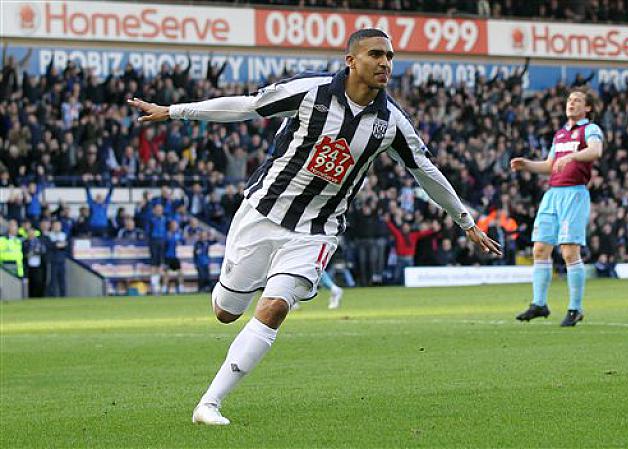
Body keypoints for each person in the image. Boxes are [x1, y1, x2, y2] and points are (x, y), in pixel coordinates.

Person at [128, 28, 501, 426]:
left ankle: (210, 403)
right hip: (262, 213)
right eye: (376, 54)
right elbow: (248, 106)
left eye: (390, 56)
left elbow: (425, 171)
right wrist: (175, 111)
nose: (385, 63)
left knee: (274, 308)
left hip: (317, 229)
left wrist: (466, 221)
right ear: (351, 60)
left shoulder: (391, 122)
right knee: (225, 312)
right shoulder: (309, 91)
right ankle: (233, 293)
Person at [511, 87, 604, 327]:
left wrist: (572, 157)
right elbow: (550, 165)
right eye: (570, 100)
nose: (571, 103)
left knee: (569, 251)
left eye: (577, 100)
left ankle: (575, 308)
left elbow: (595, 150)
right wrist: (527, 165)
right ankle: (539, 304)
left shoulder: (590, 129)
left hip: (574, 193)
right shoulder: (560, 134)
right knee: (540, 249)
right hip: (552, 194)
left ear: (588, 107)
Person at [162, 220, 184, 294]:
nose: (175, 227)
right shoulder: (167, 234)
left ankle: (180, 288)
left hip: (175, 257)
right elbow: (163, 245)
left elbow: (182, 241)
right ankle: (164, 289)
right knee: (166, 273)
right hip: (168, 257)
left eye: (176, 225)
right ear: (170, 226)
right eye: (174, 225)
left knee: (180, 272)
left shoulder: (178, 234)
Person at [47, 220, 68, 297]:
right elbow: (51, 246)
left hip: (62, 260)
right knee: (53, 280)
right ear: (52, 226)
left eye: (58, 226)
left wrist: (58, 245)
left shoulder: (63, 235)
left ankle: (63, 296)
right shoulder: (50, 235)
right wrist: (58, 245)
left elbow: (66, 246)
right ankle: (53, 296)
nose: (57, 227)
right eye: (55, 225)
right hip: (53, 261)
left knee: (62, 280)